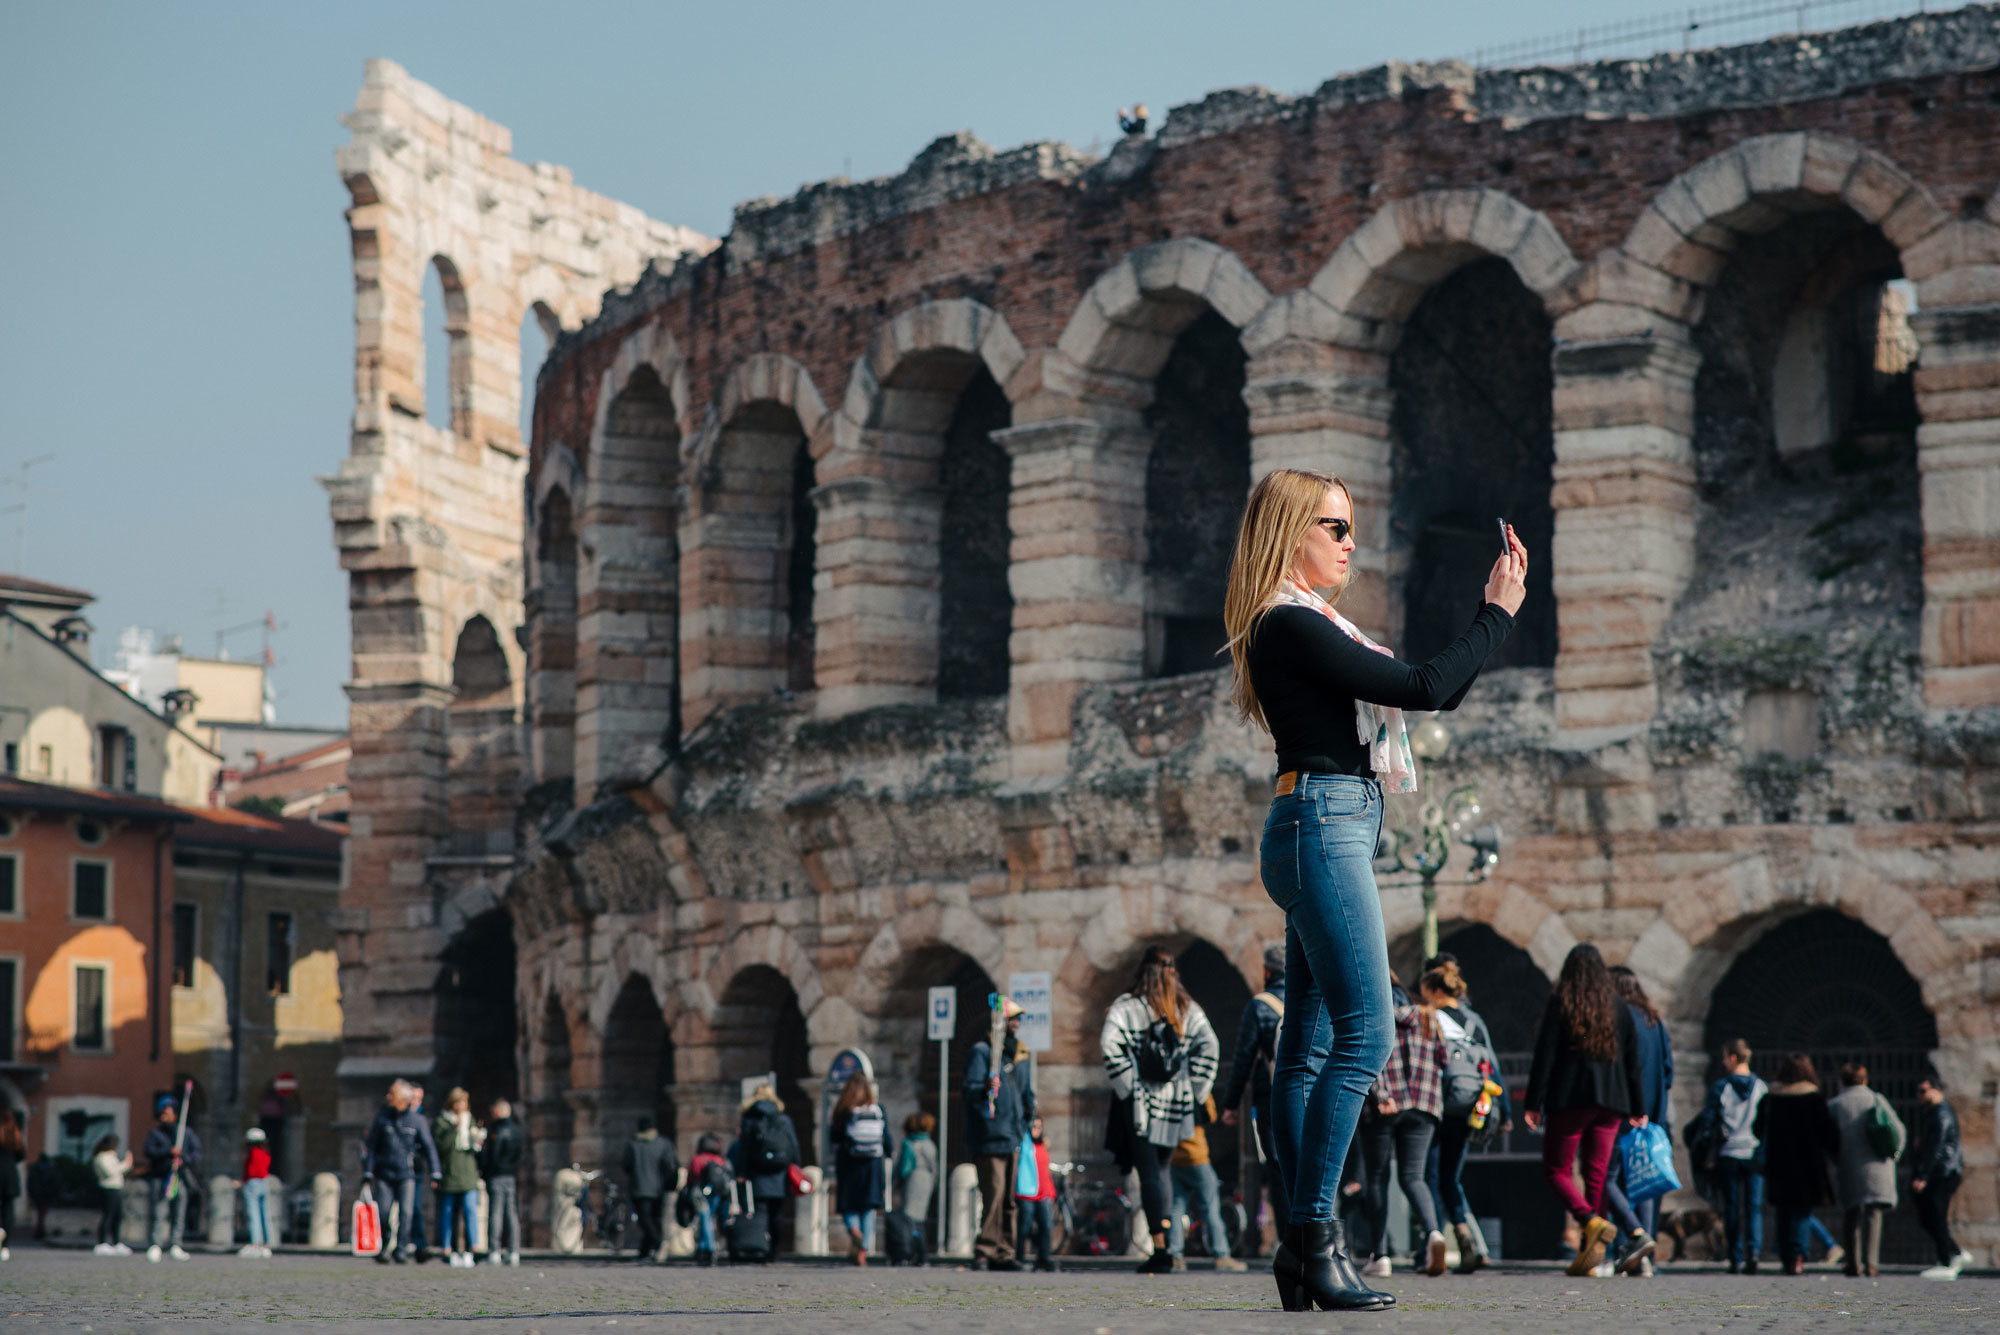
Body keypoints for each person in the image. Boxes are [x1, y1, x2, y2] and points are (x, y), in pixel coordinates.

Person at [1228, 467, 1524, 1311]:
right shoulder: (1286, 622)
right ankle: (1316, 1238)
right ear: (1289, 533)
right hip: (1324, 824)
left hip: (1321, 822)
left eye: (1350, 526)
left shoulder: (1305, 624)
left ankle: (1300, 1248)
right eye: (1334, 526)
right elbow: (1425, 687)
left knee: (1308, 1051)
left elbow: (1442, 691)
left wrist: (1490, 622)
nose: (1350, 541)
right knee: (1368, 1033)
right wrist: (1496, 611)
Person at [1524, 943, 1647, 1279]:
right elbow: (1632, 1062)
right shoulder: (1619, 1007)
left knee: (1556, 1171)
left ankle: (1590, 1222)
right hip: (1612, 1102)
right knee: (1596, 1176)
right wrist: (1638, 1106)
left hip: (1569, 1099)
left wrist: (1533, 1102)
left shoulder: (1561, 1002)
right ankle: (1591, 1256)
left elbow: (1545, 1056)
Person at [1101, 945, 1220, 1275]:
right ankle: (1167, 1245)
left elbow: (1109, 1045)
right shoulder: (1186, 1007)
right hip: (1176, 1104)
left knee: (1150, 1171)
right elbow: (1210, 1046)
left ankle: (1162, 1247)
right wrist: (1195, 1089)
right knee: (1163, 1170)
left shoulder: (1128, 1007)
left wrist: (1128, 1084)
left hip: (1141, 1105)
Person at [1417, 958, 1510, 1275]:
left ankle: (1430, 1247)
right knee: (1450, 1178)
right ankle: (1465, 1234)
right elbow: (1492, 1067)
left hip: (1436, 1104)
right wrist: (1505, 1111)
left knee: (1429, 1177)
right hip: (1469, 1106)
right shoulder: (1474, 1021)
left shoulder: (1430, 1018)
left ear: (1433, 990)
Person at [1357, 966, 1450, 1278]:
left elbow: (1364, 1057)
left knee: (1377, 1178)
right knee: (1414, 1177)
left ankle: (1380, 1255)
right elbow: (1444, 1060)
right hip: (1424, 1104)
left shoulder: (1374, 1014)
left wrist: (1381, 1093)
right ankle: (1434, 1234)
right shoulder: (1428, 1016)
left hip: (1384, 1105)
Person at [1219, 943, 1288, 1245]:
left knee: (1278, 1168)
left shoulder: (1260, 1006)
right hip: (1314, 1098)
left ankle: (1289, 1243)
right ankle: (1321, 1242)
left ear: (1265, 971)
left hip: (1272, 1098)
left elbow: (1243, 1058)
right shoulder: (1312, 1001)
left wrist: (1231, 1103)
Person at [1607, 965, 1672, 1268]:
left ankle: (1630, 1243)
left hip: (1623, 1110)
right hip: (1652, 1115)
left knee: (1612, 1179)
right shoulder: (1654, 1021)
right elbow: (1668, 1070)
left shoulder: (1618, 1019)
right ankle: (1644, 1249)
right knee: (1642, 1180)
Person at [965, 996, 1035, 1271]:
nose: (1016, 1023)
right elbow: (970, 1091)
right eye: (1012, 1018)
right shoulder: (982, 1052)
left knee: (1009, 1198)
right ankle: (985, 1248)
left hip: (1013, 1133)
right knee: (993, 1194)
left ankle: (1004, 1250)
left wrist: (1029, 1116)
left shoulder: (1020, 1054)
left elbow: (1025, 1090)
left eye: (1018, 1019)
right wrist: (984, 1086)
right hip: (990, 1134)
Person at [1751, 1055, 1837, 1275]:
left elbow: (1757, 1128)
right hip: (1807, 1164)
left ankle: (1785, 1254)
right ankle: (1797, 1256)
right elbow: (1827, 1131)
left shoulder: (1772, 1097)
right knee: (1801, 1210)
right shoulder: (1813, 1098)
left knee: (1783, 1209)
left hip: (1778, 1162)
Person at [1826, 1061, 1900, 1278]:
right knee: (1874, 1214)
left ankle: (1853, 1262)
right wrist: (1894, 1154)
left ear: (1842, 1080)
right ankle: (1871, 1263)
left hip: (1849, 1165)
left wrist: (1836, 1158)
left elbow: (1828, 1138)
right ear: (1865, 1079)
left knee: (1852, 1214)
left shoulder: (1835, 1105)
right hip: (1878, 1165)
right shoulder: (1876, 1099)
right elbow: (1898, 1130)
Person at [1703, 1038, 1768, 1274]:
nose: (1723, 1062)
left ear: (1732, 1058)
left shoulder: (1721, 1087)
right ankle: (1754, 1253)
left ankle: (1735, 1257)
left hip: (1728, 1153)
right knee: (1754, 1207)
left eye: (1724, 1057)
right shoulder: (1762, 1087)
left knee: (1731, 1208)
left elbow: (1708, 1122)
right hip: (1753, 1153)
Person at [361, 1079, 441, 1264]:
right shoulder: (382, 1118)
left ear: (402, 1099)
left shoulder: (418, 1121)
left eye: (392, 1094)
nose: (388, 1097)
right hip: (384, 1174)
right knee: (384, 1211)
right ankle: (385, 1244)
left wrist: (435, 1171)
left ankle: (401, 1249)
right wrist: (368, 1172)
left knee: (406, 1213)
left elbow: (429, 1147)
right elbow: (372, 1147)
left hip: (407, 1174)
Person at [1167, 1095, 1245, 1272]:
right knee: (1211, 1207)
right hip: (1196, 1156)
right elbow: (1211, 1115)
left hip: (1174, 1157)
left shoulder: (1170, 1088)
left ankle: (1175, 1255)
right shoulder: (1198, 1088)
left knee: (1177, 1207)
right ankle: (1221, 1254)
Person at [728, 1084, 799, 1260]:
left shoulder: (750, 1118)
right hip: (779, 1171)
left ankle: (760, 1246)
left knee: (759, 1211)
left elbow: (744, 1148)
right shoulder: (783, 1118)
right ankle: (774, 1248)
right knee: (776, 1213)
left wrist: (741, 1171)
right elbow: (793, 1145)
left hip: (757, 1172)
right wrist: (796, 1166)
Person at [1911, 1073, 1970, 1279]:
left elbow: (1936, 1148)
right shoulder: (1932, 1113)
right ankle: (1954, 1253)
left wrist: (1924, 1176)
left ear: (1936, 1089)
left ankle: (1947, 1261)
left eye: (1923, 1090)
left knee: (1936, 1215)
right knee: (1929, 1216)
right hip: (1942, 1171)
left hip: (1943, 1172)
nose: (1919, 1095)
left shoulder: (1941, 1113)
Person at [830, 1072, 888, 1265]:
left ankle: (854, 1230)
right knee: (868, 1207)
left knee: (848, 1204)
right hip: (873, 1165)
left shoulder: (844, 1110)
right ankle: (863, 1250)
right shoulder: (878, 1109)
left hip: (848, 1163)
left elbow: (834, 1137)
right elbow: (886, 1139)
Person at [144, 1093, 203, 1262]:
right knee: (159, 1211)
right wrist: (167, 1152)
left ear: (175, 1115)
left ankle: (175, 1244)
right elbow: (149, 1151)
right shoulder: (155, 1134)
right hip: (161, 1177)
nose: (164, 1117)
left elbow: (196, 1154)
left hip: (179, 1177)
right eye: (162, 1114)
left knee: (179, 1211)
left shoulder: (186, 1133)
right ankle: (155, 1244)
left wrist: (183, 1159)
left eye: (167, 1114)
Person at [431, 1087, 484, 1267]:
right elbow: (441, 1147)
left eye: (464, 1102)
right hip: (449, 1173)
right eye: (459, 1102)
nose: (462, 1106)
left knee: (470, 1210)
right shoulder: (442, 1122)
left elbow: (475, 1148)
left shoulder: (469, 1120)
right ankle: (447, 1247)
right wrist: (454, 1129)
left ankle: (474, 1247)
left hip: (468, 1173)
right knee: (447, 1213)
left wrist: (477, 1138)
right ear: (452, 1103)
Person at [622, 1113, 677, 1264]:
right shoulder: (663, 1143)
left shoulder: (633, 1144)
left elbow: (626, 1166)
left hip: (639, 1188)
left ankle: (659, 1244)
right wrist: (669, 1184)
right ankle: (644, 1252)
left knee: (645, 1220)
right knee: (654, 1219)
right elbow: (670, 1166)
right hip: (658, 1189)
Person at [479, 1099, 523, 1266]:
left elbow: (493, 1154)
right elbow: (520, 1154)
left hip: (497, 1175)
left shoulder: (497, 1130)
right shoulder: (516, 1130)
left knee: (496, 1213)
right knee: (512, 1213)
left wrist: (484, 1167)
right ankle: (514, 1251)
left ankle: (494, 1250)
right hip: (510, 1175)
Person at [892, 1113, 938, 1261]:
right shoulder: (929, 1144)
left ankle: (910, 1249)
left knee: (909, 1217)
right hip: (926, 1180)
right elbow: (934, 1167)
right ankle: (921, 1251)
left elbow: (902, 1166)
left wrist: (896, 1182)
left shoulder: (908, 1143)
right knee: (919, 1219)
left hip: (912, 1180)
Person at [1016, 1114, 1059, 1272]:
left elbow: (1045, 1172)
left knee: (1046, 1225)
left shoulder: (1043, 1147)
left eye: (1039, 1127)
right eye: (1034, 1126)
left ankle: (1044, 1257)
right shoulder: (1025, 1145)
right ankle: (1020, 1256)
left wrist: (1051, 1191)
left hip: (1043, 1192)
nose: (1037, 1130)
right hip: (1027, 1191)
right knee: (1025, 1226)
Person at [686, 1132, 730, 1266]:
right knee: (709, 1219)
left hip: (700, 1193)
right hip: (716, 1193)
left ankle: (708, 1249)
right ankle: (703, 1247)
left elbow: (692, 1177)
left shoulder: (698, 1159)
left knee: (704, 1220)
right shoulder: (720, 1160)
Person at [90, 1134, 133, 1256]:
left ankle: (116, 1242)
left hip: (116, 1187)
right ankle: (102, 1242)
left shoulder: (111, 1156)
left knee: (117, 1216)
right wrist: (126, 1164)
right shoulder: (102, 1157)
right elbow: (110, 1172)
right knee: (108, 1215)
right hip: (107, 1188)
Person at [239, 1126, 275, 1257]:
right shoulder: (266, 1153)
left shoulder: (253, 1153)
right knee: (264, 1214)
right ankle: (266, 1244)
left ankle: (255, 1244)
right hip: (264, 1183)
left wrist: (242, 1181)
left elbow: (251, 1170)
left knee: (253, 1214)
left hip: (252, 1183)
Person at [0, 1106, 21, 1257]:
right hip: (9, 1174)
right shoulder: (15, 1134)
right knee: (8, 1209)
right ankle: (5, 1247)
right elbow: (21, 1155)